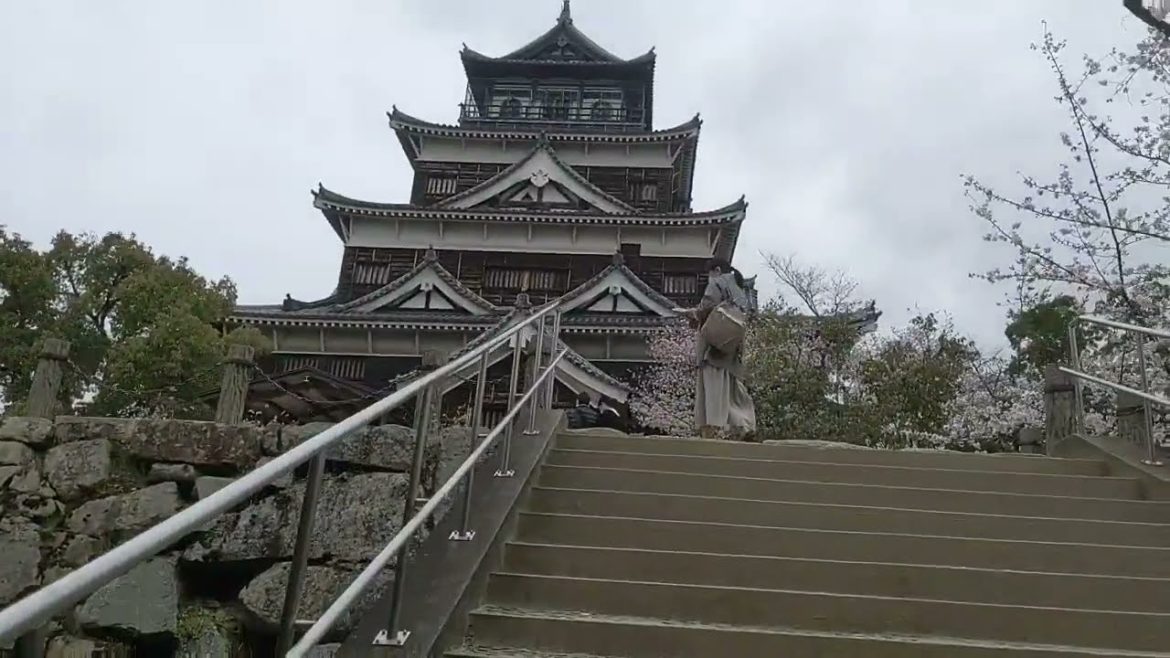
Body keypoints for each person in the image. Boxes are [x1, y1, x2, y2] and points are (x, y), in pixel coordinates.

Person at [684, 259, 757, 440]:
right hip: (731, 350)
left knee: (712, 390)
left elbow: (707, 306)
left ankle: (713, 428)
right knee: (731, 392)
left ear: (716, 270)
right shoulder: (740, 290)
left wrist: (692, 314)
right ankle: (742, 424)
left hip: (712, 348)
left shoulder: (717, 282)